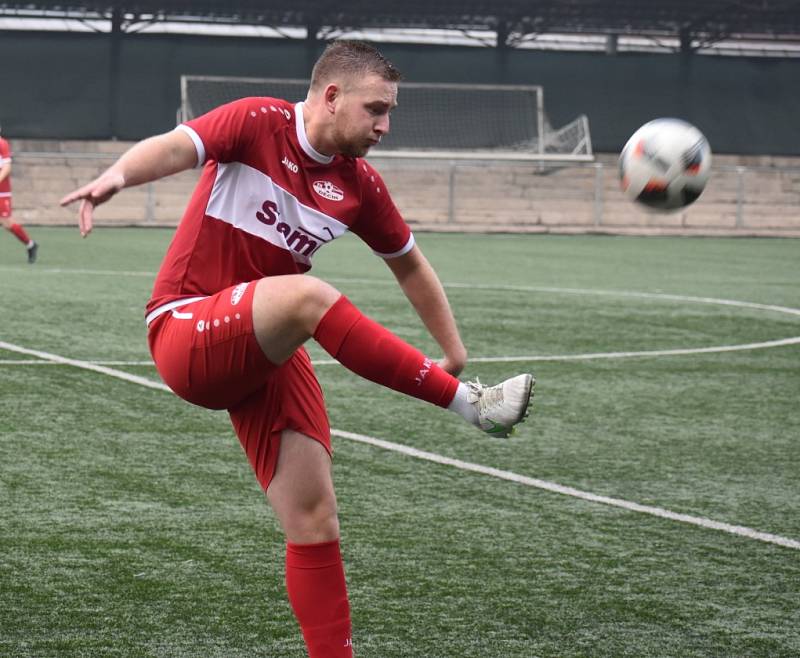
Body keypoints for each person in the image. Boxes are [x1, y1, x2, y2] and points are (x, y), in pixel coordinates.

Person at [61, 40, 534, 657]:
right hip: (184, 331)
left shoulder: (360, 185)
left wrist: (454, 347)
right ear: (332, 96)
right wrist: (118, 175)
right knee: (307, 298)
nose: (385, 126)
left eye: (390, 112)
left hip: (263, 351)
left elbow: (410, 264)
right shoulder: (258, 120)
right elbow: (178, 146)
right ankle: (472, 408)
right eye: (376, 109)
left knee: (314, 522)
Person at [0, 125, 38, 263]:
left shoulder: (2, 144)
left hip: (2, 192)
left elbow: (7, 167)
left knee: (7, 223)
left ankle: (31, 244)